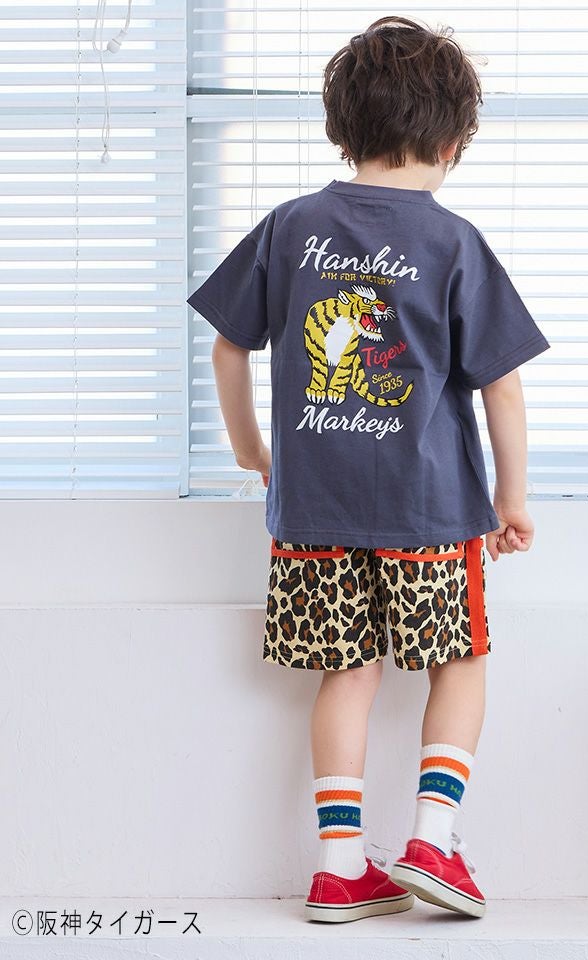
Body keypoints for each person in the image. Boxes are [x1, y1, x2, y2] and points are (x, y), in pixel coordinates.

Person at [186, 14, 550, 924]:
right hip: (431, 512)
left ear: (341, 129)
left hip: (312, 510)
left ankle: (340, 866)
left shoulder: (290, 226)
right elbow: (501, 385)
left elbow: (228, 346)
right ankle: (433, 839)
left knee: (346, 674)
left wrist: (251, 451)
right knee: (459, 660)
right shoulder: (454, 242)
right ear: (453, 141)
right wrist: (511, 497)